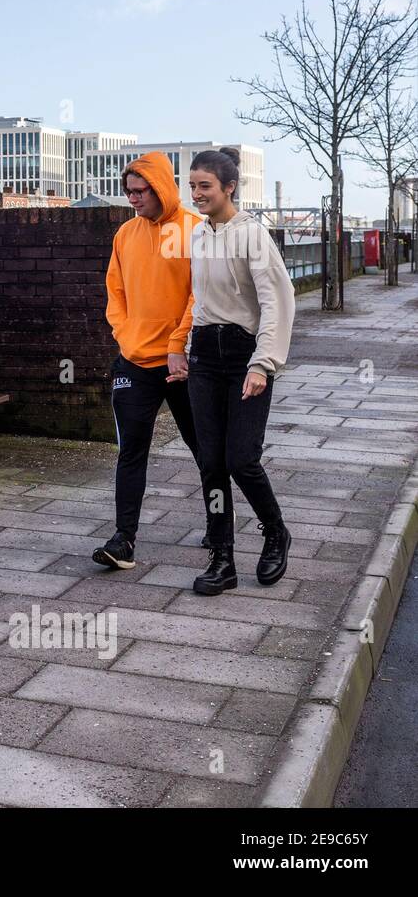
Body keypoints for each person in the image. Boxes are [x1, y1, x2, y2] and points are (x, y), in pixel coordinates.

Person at [95, 151, 224, 570]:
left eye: (140, 191)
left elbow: (199, 294)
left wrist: (177, 344)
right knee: (131, 450)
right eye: (128, 192)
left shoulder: (195, 231)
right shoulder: (125, 235)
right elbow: (115, 292)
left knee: (205, 447)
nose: (132, 199)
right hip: (134, 362)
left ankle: (218, 524)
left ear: (160, 188)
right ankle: (123, 541)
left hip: (185, 364)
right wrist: (125, 335)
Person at [186, 147, 296, 595]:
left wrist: (263, 364)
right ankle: (223, 558)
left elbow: (278, 300)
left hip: (245, 354)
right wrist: (184, 349)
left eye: (205, 186)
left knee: (241, 459)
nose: (196, 194)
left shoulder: (252, 235)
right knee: (210, 463)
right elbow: (201, 301)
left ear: (229, 187)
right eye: (192, 186)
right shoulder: (197, 235)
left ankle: (275, 531)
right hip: (204, 358)